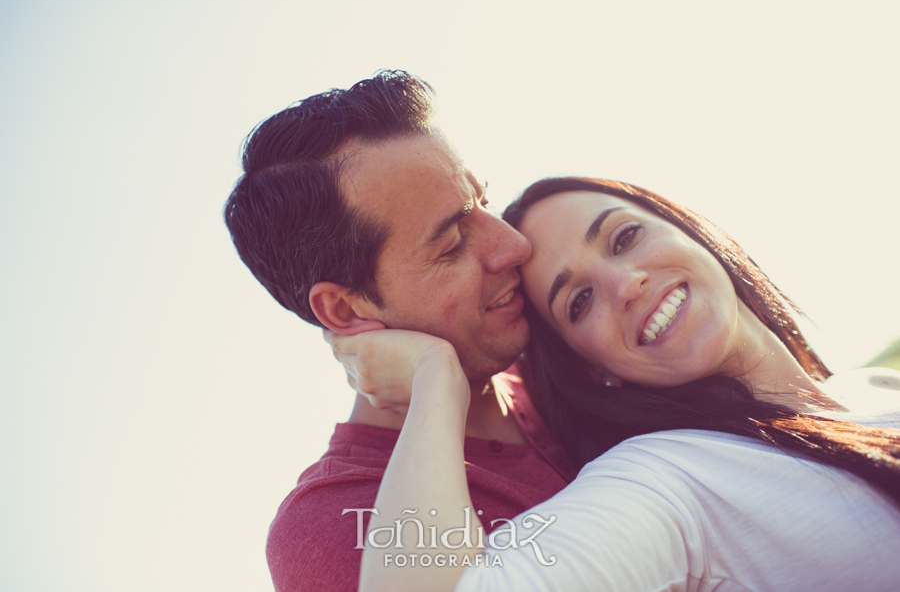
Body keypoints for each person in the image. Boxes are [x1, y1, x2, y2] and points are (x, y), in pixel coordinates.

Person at [328, 177, 900, 591]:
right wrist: (436, 381)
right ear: (590, 367)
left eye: (624, 237)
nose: (624, 284)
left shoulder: (878, 387)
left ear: (683, 228)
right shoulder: (665, 481)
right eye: (578, 302)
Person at [222, 72, 577, 592]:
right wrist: (438, 378)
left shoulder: (580, 339)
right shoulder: (335, 524)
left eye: (483, 203)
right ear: (343, 310)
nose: (513, 245)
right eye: (453, 242)